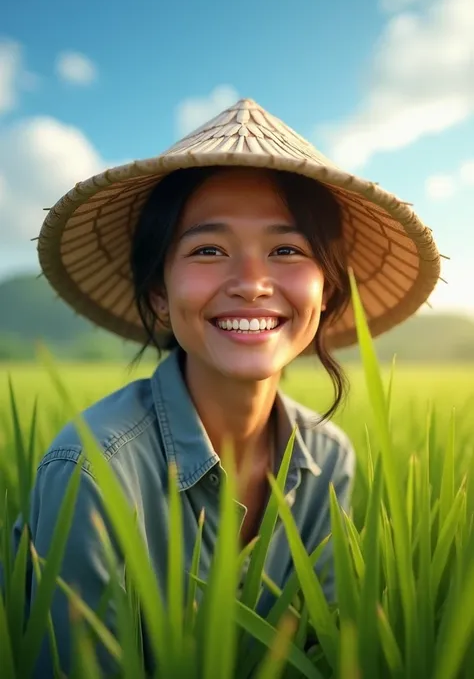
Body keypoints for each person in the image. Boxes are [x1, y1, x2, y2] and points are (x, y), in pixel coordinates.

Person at [5, 99, 440, 676]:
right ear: (160, 295)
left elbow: (320, 652)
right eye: (208, 250)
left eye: (287, 250)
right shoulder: (94, 469)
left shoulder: (329, 459)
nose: (252, 285)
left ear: (328, 294)